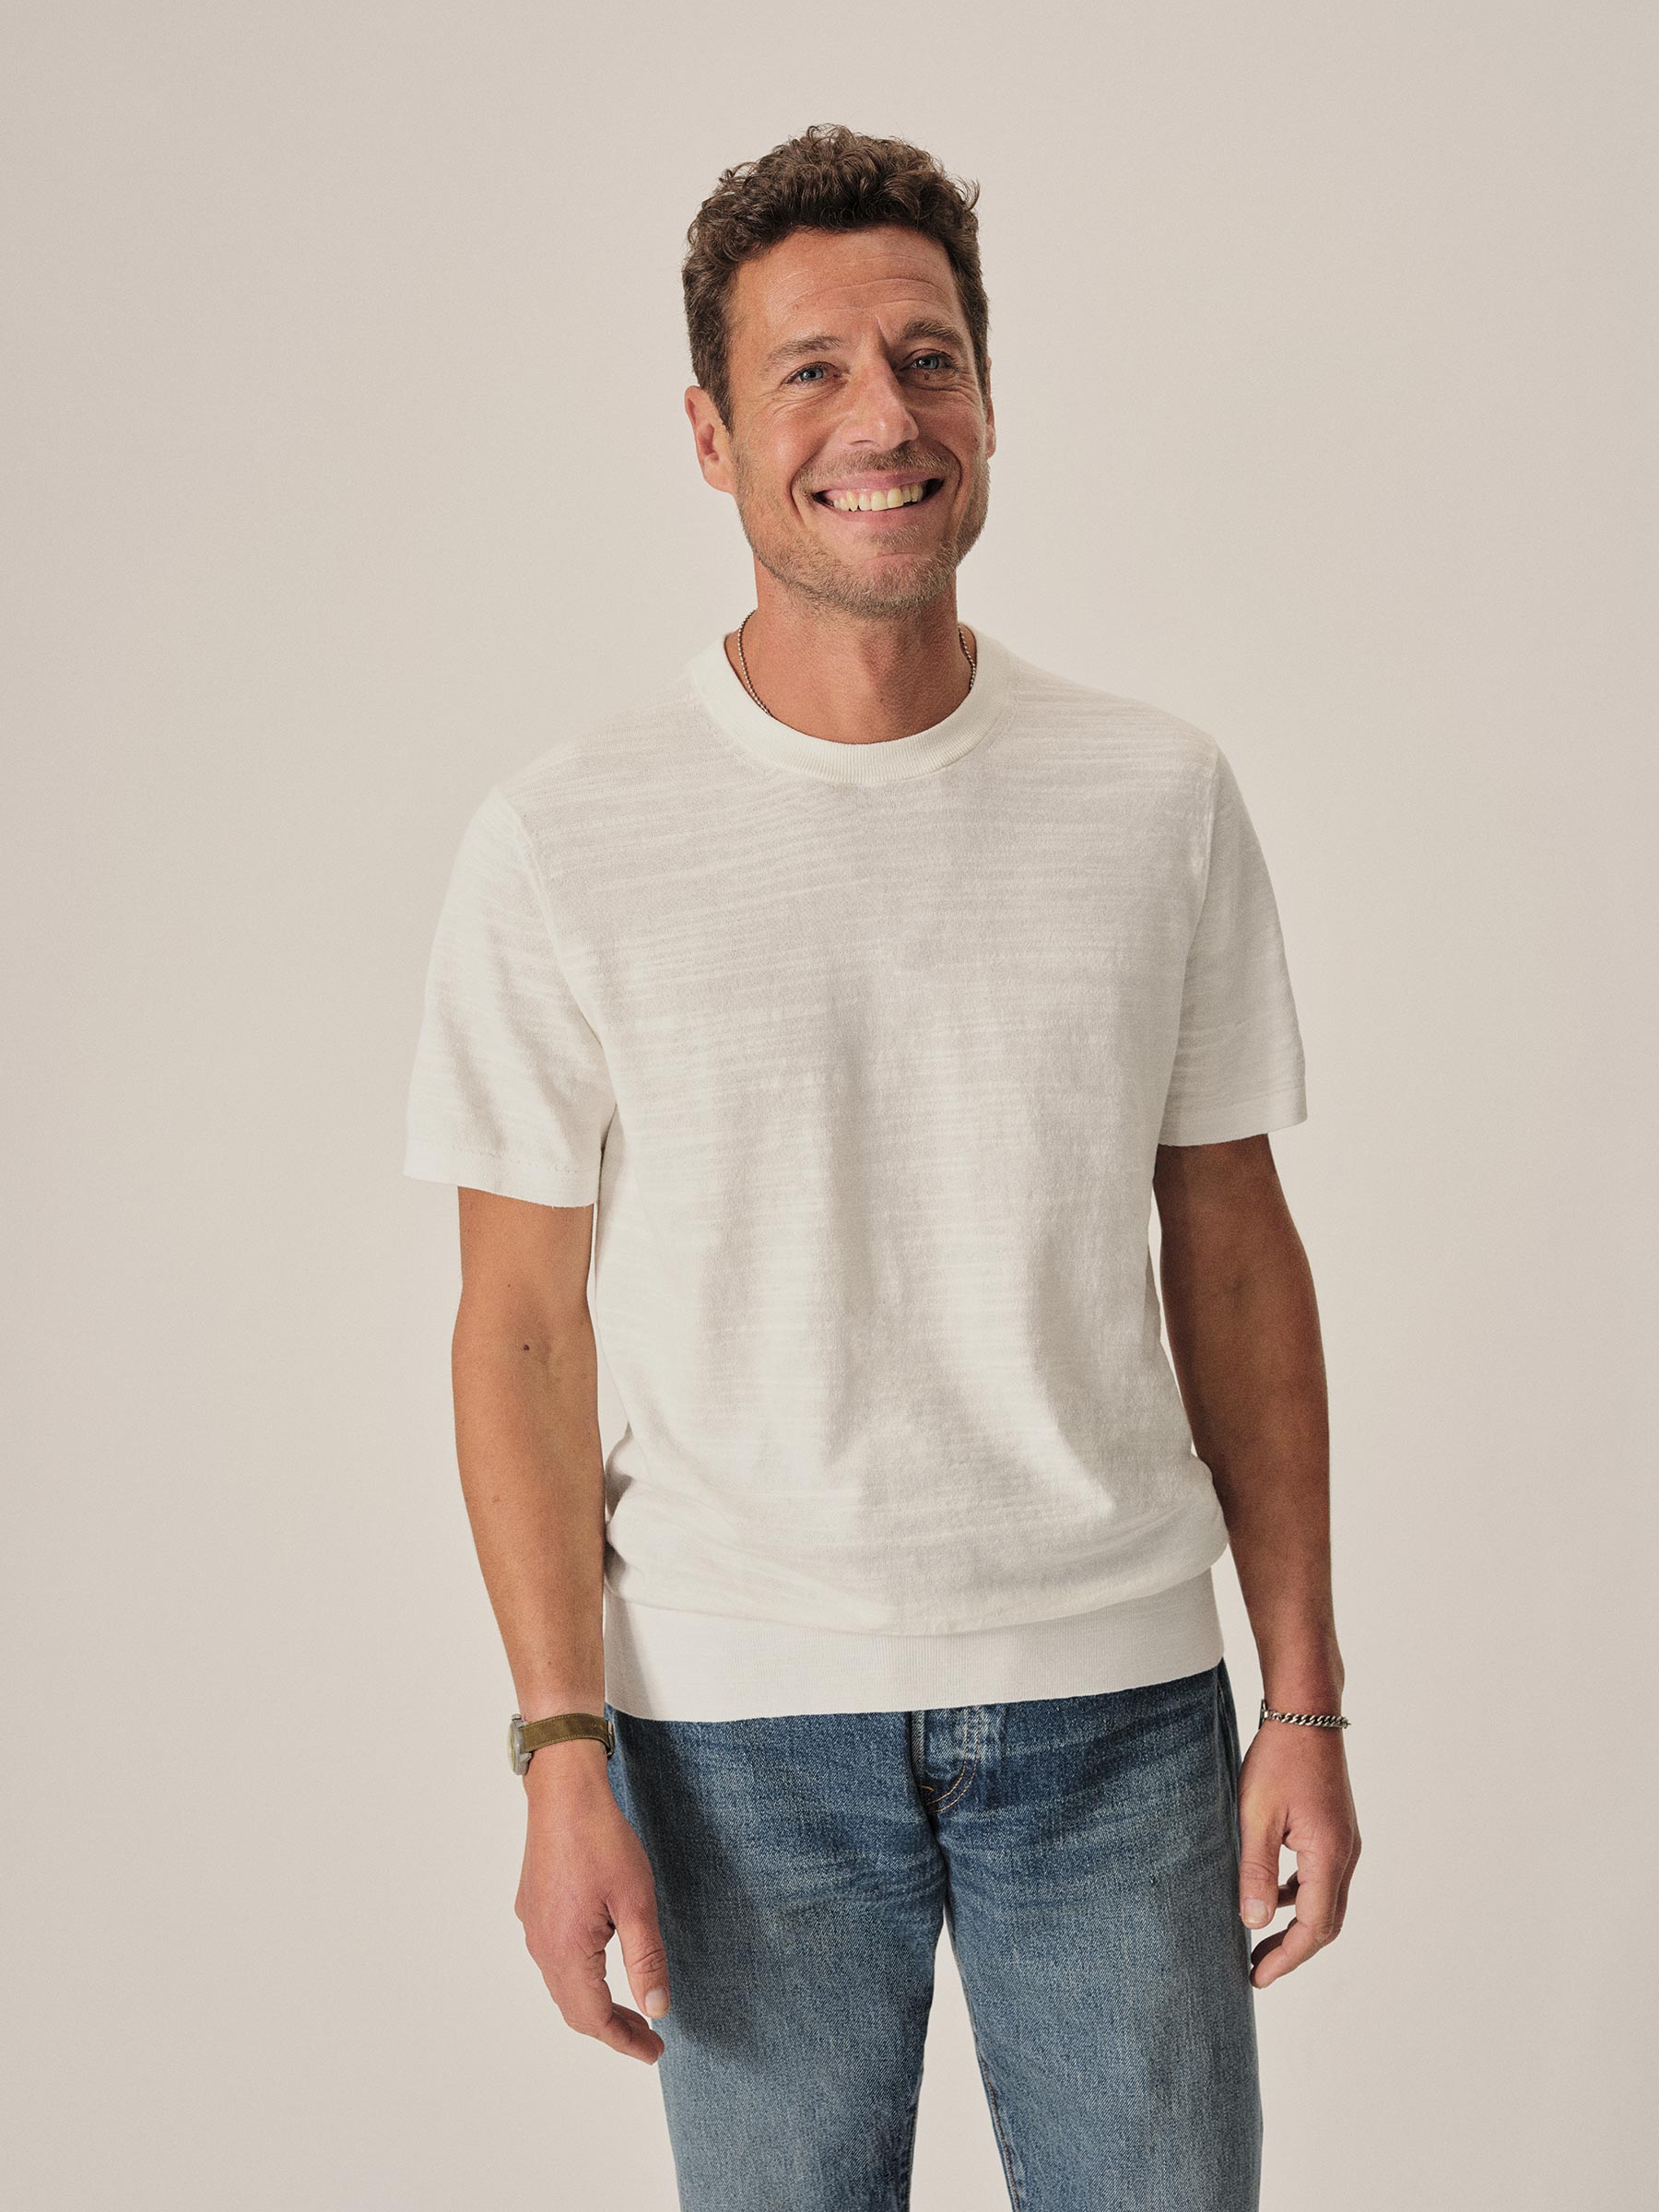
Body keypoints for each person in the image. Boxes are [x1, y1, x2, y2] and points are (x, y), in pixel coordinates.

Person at [404, 122, 1360, 2212]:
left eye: (930, 361)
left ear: (991, 403)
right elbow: (520, 1327)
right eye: (812, 371)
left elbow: (1235, 1257)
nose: (884, 419)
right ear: (710, 436)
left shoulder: (1155, 797)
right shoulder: (568, 835)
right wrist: (559, 1754)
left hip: (1120, 1708)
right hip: (731, 1724)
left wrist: (1305, 1698)